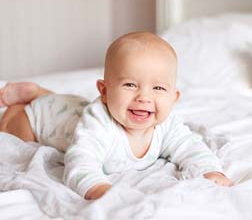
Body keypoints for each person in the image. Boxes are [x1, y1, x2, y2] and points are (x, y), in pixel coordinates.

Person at [0, 32, 233, 200]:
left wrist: (210, 170)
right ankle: (23, 104)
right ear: (104, 91)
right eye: (130, 84)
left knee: (69, 106)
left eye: (158, 89)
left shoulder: (167, 125)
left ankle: (39, 92)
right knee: (10, 131)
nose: (144, 97)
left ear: (174, 97)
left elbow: (192, 147)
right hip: (43, 118)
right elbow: (81, 163)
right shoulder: (97, 125)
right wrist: (98, 188)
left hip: (69, 108)